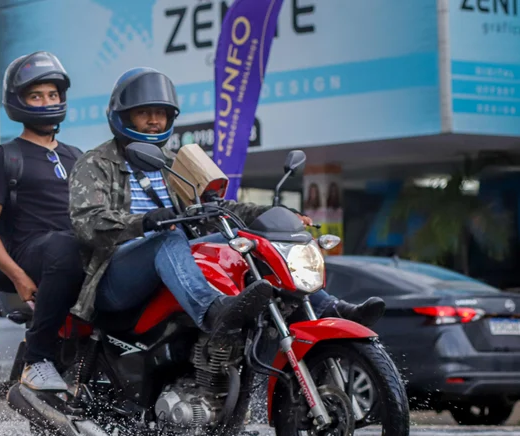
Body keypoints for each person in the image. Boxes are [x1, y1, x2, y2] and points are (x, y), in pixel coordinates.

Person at [67, 67, 384, 341]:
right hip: (114, 276)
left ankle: (329, 307)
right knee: (167, 237)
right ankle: (212, 311)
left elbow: (215, 206)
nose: (153, 121)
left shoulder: (177, 162)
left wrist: (270, 213)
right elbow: (87, 222)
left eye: (160, 113)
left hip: (176, 264)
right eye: (144, 112)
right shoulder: (95, 162)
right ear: (123, 116)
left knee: (251, 241)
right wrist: (144, 221)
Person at [0, 51, 86, 397]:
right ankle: (36, 359)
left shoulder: (76, 156)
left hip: (75, 252)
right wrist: (18, 277)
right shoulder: (6, 157)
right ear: (18, 101)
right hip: (33, 252)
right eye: (36, 95)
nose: (46, 102)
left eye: (52, 94)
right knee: (65, 245)